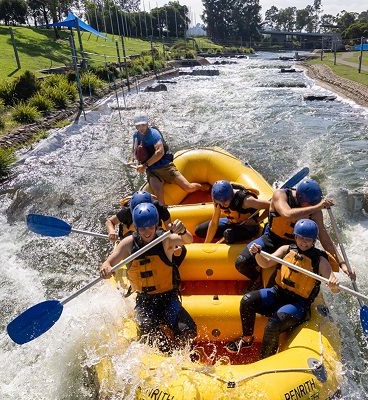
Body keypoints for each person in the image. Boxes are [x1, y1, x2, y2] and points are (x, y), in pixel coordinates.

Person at [226, 219, 340, 358]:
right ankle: (247, 339)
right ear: (296, 237)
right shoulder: (286, 249)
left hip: (298, 303)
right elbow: (265, 263)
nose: (304, 242)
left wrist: (333, 284)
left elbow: (333, 286)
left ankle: (265, 359)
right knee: (247, 300)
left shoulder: (320, 260)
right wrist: (257, 254)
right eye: (301, 238)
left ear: (314, 241)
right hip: (277, 293)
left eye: (308, 240)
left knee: (272, 325)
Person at [99, 202, 197, 353]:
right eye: (143, 228)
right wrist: (105, 268)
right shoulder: (127, 244)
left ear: (156, 225)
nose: (147, 231)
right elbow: (109, 261)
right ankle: (167, 355)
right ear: (136, 228)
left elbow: (188, 240)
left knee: (188, 329)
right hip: (145, 301)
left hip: (168, 298)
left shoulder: (165, 239)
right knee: (148, 332)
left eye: (151, 227)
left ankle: (183, 353)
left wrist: (183, 230)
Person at [235, 178, 355, 293]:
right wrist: (318, 206)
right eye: (309, 204)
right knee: (241, 262)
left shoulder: (314, 210)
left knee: (278, 283)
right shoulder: (281, 195)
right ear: (300, 198)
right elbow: (288, 214)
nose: (311, 207)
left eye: (314, 204)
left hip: (294, 247)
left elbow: (324, 237)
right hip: (271, 239)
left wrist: (342, 263)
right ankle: (257, 280)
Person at [129, 111, 210, 205]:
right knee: (158, 194)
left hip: (164, 166)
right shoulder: (136, 135)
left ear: (147, 124)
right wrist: (131, 160)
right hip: (152, 171)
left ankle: (202, 187)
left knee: (188, 188)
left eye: (143, 125)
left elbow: (160, 152)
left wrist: (145, 165)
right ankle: (164, 216)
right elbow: (134, 149)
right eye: (138, 126)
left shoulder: (153, 134)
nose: (141, 128)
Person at [194, 180, 270, 244]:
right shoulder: (218, 201)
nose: (222, 205)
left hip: (248, 226)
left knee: (228, 235)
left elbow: (270, 206)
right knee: (199, 230)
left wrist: (256, 220)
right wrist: (206, 244)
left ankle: (247, 241)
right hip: (231, 222)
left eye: (224, 202)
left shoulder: (246, 201)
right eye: (220, 202)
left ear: (230, 196)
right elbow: (214, 222)